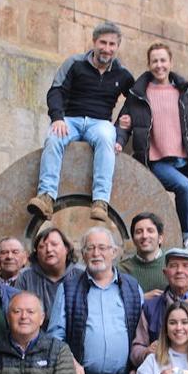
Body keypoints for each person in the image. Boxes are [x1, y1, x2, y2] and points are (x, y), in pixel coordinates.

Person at [28, 22, 135, 224]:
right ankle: (46, 197)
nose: (107, 48)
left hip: (100, 123)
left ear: (117, 47)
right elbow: (56, 91)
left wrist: (121, 131)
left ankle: (100, 201)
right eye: (103, 42)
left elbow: (136, 101)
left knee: (106, 139)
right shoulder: (75, 63)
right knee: (53, 138)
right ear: (94, 42)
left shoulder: (122, 74)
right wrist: (58, 118)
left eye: (112, 44)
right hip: (71, 120)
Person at [117, 42, 188, 251]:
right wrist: (118, 141)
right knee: (184, 186)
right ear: (149, 64)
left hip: (187, 160)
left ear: (170, 62)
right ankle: (187, 236)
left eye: (163, 60)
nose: (159, 65)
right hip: (157, 161)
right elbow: (122, 123)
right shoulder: (138, 94)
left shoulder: (186, 93)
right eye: (154, 61)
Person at [47, 227, 143, 374]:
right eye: (90, 248)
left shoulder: (133, 288)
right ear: (83, 255)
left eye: (102, 248)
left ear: (114, 252)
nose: (96, 253)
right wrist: (70, 361)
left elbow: (143, 337)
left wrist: (139, 367)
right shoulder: (68, 289)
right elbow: (55, 337)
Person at [14, 224, 82, 317]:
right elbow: (18, 311)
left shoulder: (81, 274)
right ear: (36, 253)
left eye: (54, 244)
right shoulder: (25, 276)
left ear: (66, 248)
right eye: (42, 247)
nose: (49, 250)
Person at [118, 212, 168, 296]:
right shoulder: (122, 269)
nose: (144, 236)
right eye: (139, 232)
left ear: (160, 238)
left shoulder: (174, 264)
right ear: (133, 240)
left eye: (150, 231)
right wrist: (141, 299)